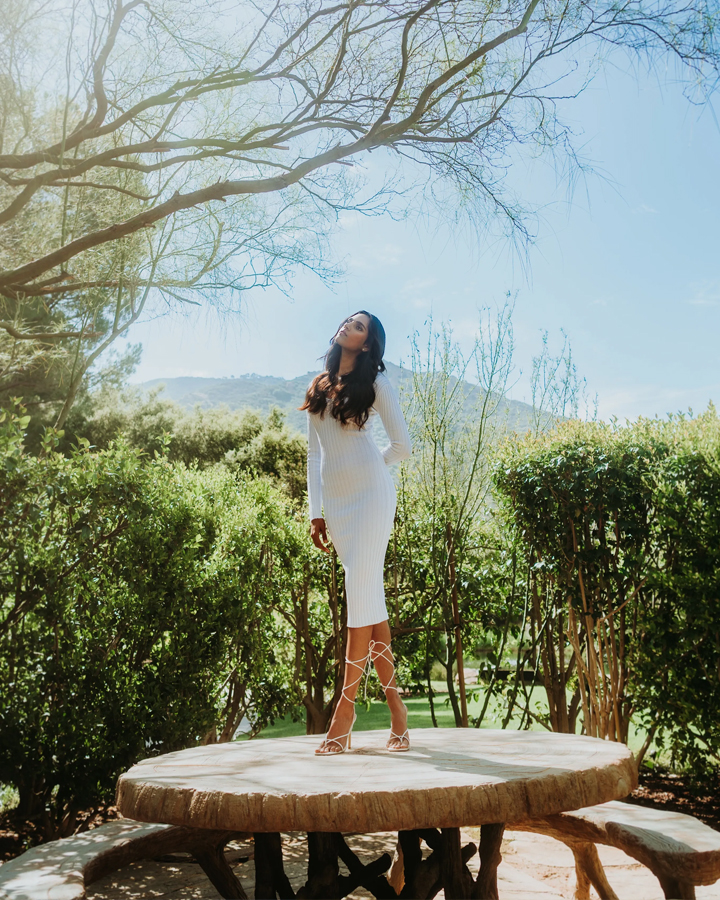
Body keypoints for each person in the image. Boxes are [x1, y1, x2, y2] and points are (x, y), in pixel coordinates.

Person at [300, 311, 412, 755]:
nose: (348, 324)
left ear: (367, 344)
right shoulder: (318, 385)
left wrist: (369, 469)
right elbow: (313, 455)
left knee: (356, 594)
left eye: (359, 325)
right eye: (348, 320)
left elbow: (403, 446)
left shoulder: (377, 386)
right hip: (339, 507)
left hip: (372, 499)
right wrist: (315, 512)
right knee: (370, 602)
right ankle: (397, 711)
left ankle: (344, 712)